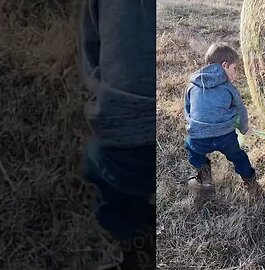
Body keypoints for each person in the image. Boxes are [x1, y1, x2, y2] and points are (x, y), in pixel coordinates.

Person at [78, 1, 156, 269]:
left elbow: (91, 61)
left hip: (121, 151)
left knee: (96, 163)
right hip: (172, 147)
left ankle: (129, 239)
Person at [184, 43, 259, 195]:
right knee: (238, 156)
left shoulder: (192, 85)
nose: (235, 74)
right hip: (225, 136)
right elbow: (241, 111)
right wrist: (244, 129)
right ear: (225, 65)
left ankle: (204, 176)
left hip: (199, 137)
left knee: (192, 148)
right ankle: (250, 181)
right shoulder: (229, 88)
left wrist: (194, 125)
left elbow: (187, 109)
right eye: (235, 69)